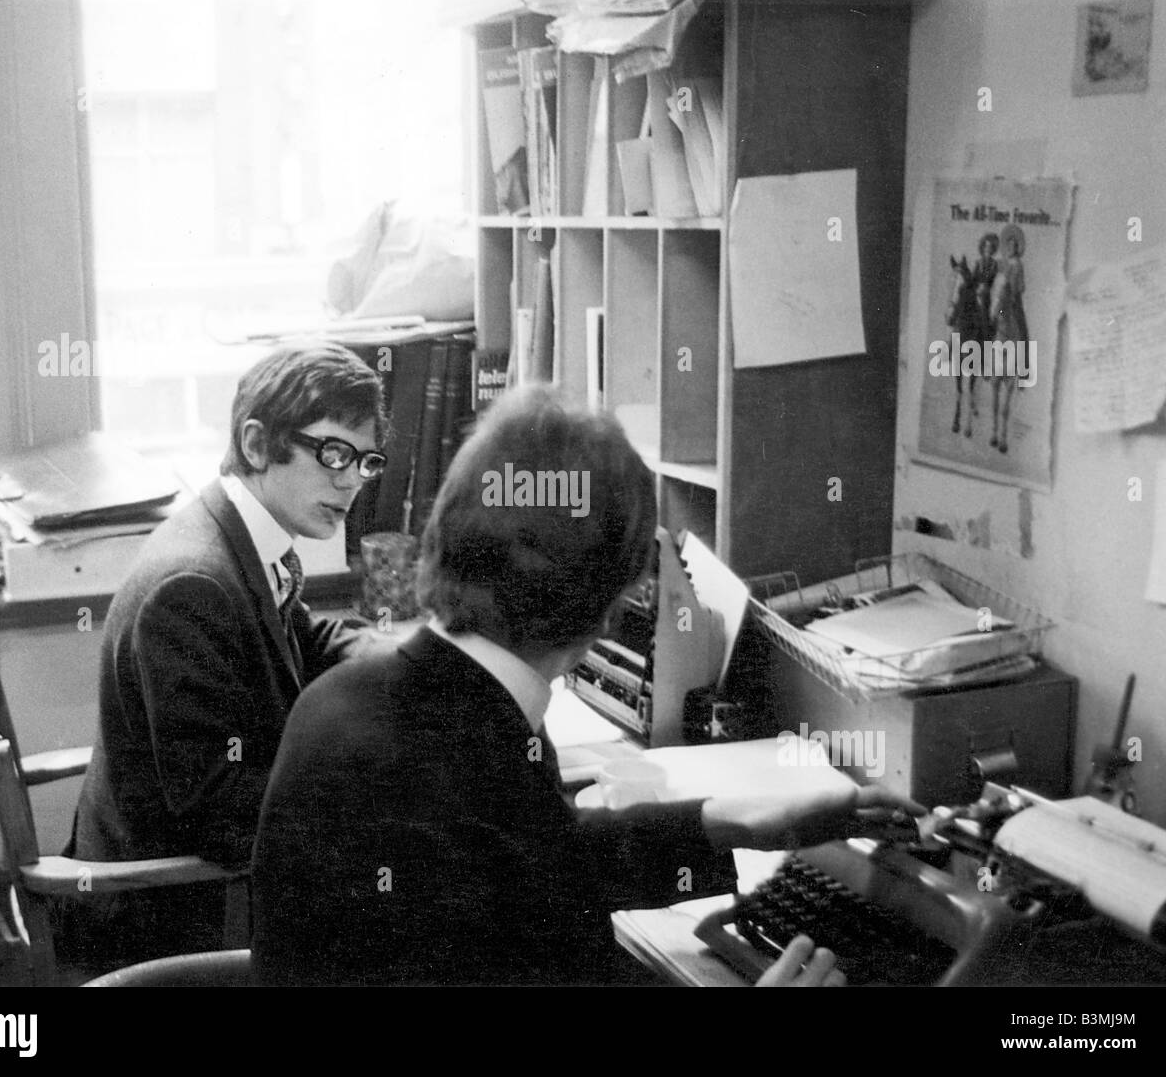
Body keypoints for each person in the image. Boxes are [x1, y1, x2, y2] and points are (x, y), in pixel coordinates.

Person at [251, 385, 921, 986]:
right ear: (611, 608)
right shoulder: (470, 763)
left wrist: (723, 821)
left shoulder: (358, 695)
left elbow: (527, 868)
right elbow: (504, 874)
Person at [65, 343, 387, 961]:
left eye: (363, 460)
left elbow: (301, 640)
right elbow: (214, 807)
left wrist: (409, 658)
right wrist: (370, 784)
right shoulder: (193, 585)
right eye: (333, 453)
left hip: (201, 882)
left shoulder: (240, 533)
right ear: (258, 443)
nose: (351, 480)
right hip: (164, 916)